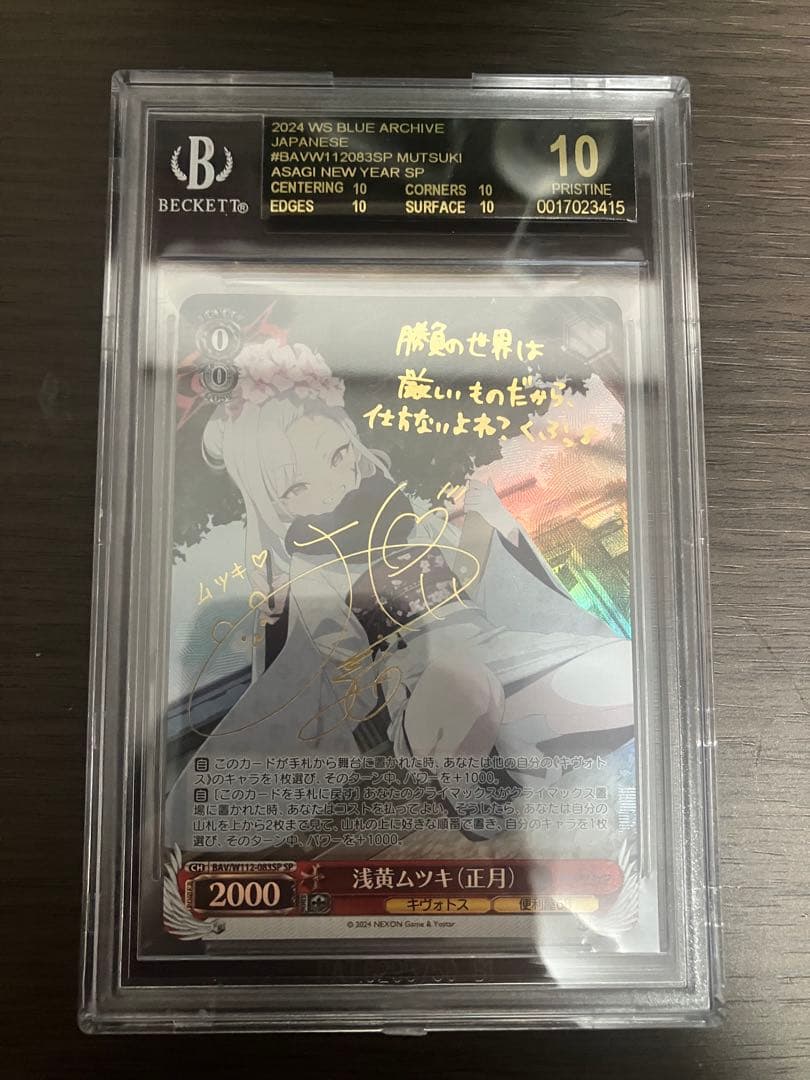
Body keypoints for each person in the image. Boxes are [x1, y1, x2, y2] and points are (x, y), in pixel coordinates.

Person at [187, 329, 634, 788]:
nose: (336, 486)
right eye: (298, 488)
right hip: (424, 688)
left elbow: (473, 580)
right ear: (274, 507)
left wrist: (488, 523)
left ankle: (518, 755)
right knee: (466, 687)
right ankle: (490, 769)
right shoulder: (311, 571)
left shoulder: (410, 517)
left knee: (624, 672)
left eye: (339, 455)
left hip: (500, 648)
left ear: (352, 439)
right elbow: (351, 690)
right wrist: (293, 624)